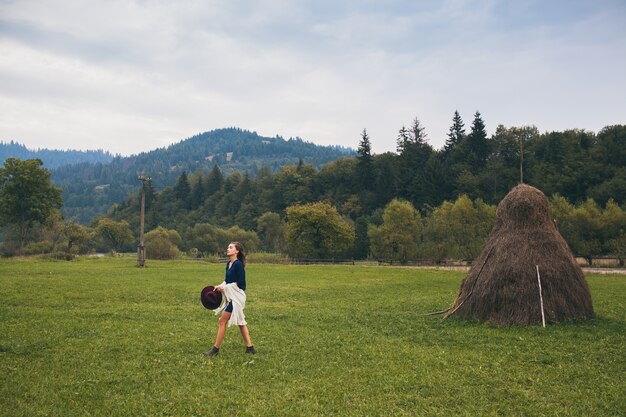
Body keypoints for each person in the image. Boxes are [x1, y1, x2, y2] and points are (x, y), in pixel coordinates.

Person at [204, 241, 255, 356]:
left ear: (236, 251)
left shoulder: (238, 264)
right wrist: (220, 286)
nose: (228, 249)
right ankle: (250, 347)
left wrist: (225, 288)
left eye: (231, 247)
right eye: (228, 247)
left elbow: (242, 285)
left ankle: (215, 350)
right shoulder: (229, 264)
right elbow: (227, 281)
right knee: (241, 322)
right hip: (231, 297)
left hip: (237, 298)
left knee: (222, 321)